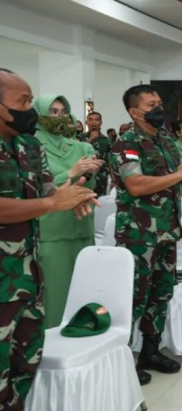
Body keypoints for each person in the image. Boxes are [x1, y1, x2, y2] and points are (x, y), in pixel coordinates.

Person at [0, 68, 97, 411]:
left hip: (27, 268)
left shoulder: (27, 145)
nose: (30, 109)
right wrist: (53, 202)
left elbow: (47, 190)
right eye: (23, 101)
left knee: (26, 359)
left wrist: (73, 197)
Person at [110, 84, 182, 385]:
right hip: (139, 235)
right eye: (152, 104)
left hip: (166, 231)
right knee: (134, 297)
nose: (159, 108)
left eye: (160, 102)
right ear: (134, 111)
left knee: (161, 294)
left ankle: (150, 351)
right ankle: (123, 358)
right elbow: (136, 185)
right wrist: (180, 173)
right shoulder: (125, 143)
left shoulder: (165, 139)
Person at [33, 94, 104, 329]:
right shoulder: (30, 146)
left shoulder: (82, 146)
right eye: (53, 112)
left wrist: (79, 178)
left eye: (63, 112)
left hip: (81, 225)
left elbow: (91, 185)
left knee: (85, 292)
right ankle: (53, 352)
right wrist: (71, 173)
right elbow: (37, 189)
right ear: (40, 114)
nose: (59, 117)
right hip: (51, 230)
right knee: (55, 295)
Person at [84, 112, 113, 196]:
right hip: (85, 178)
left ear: (101, 123)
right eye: (91, 120)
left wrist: (114, 180)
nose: (93, 122)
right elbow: (77, 154)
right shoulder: (80, 138)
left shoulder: (107, 140)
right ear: (87, 122)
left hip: (101, 178)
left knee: (100, 204)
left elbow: (110, 160)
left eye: (97, 120)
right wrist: (90, 139)